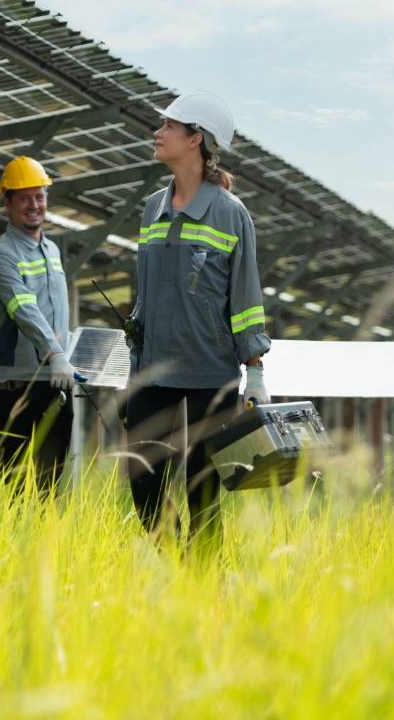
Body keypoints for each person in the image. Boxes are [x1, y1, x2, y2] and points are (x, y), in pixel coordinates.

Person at [126, 91, 271, 545]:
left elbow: (245, 299)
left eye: (168, 126)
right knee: (144, 483)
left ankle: (204, 586)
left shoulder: (231, 214)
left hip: (210, 375)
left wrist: (256, 371)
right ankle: (169, 566)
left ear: (195, 139)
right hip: (152, 371)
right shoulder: (154, 207)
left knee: (202, 490)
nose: (158, 132)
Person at [0, 156, 85, 491]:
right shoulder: (1, 254)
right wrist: (57, 355)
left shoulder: (52, 250)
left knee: (51, 488)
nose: (34, 205)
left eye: (39, 196)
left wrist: (72, 352)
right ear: (7, 202)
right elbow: (24, 310)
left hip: (52, 385)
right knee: (17, 489)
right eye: (24, 197)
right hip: (12, 388)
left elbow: (55, 313)